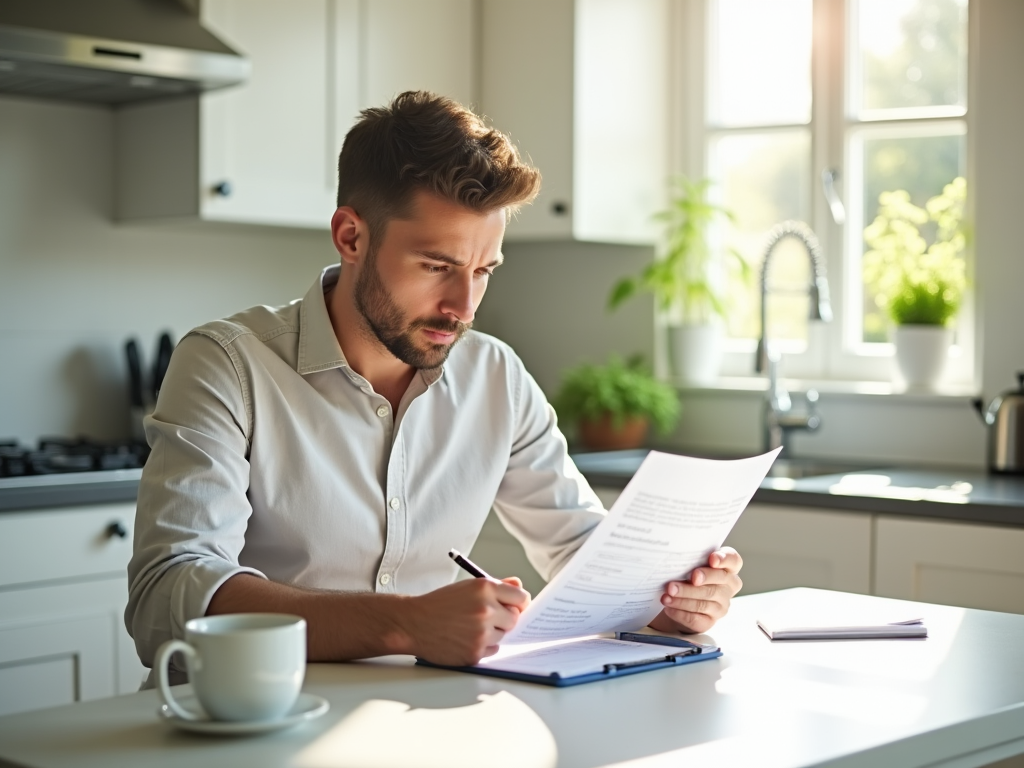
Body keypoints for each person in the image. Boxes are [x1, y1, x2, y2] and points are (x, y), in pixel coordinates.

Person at [126, 91, 743, 678]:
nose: (463, 306)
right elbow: (167, 594)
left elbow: (586, 556)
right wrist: (405, 624)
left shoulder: (495, 375)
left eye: (482, 271)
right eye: (437, 267)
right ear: (351, 237)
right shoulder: (227, 364)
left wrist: (671, 601)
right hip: (244, 732)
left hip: (416, 725)